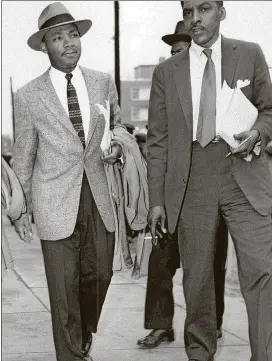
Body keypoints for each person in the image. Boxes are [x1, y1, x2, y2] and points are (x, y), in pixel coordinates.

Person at [147, 1, 272, 361]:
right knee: (197, 279)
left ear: (221, 11)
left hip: (244, 171)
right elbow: (157, 140)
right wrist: (157, 199)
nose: (195, 19)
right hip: (192, 179)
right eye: (188, 11)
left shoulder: (249, 54)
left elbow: (269, 110)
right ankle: (200, 355)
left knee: (261, 272)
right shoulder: (166, 72)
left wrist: (257, 133)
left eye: (204, 9)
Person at [12, 3, 125, 361]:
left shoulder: (103, 82)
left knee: (100, 276)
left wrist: (118, 146)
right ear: (45, 46)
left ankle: (83, 334)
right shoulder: (28, 96)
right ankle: (71, 353)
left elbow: (118, 127)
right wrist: (19, 209)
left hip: (98, 198)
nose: (69, 43)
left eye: (73, 34)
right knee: (63, 294)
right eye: (58, 37)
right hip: (52, 202)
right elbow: (24, 156)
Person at [137, 19, 228, 349]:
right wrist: (156, 199)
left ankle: (211, 323)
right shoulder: (166, 85)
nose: (177, 55)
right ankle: (161, 325)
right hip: (174, 192)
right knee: (160, 260)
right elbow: (155, 143)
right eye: (173, 51)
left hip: (210, 190)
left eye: (184, 49)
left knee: (210, 263)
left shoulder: (216, 86)